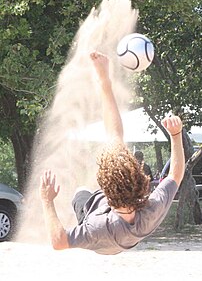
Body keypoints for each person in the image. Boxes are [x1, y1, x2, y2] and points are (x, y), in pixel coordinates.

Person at [39, 51, 185, 255]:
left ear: (105, 191)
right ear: (140, 181)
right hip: (128, 236)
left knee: (80, 191)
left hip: (105, 241)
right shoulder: (152, 209)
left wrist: (47, 201)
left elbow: (59, 241)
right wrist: (176, 135)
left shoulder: (97, 226)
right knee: (114, 142)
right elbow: (175, 174)